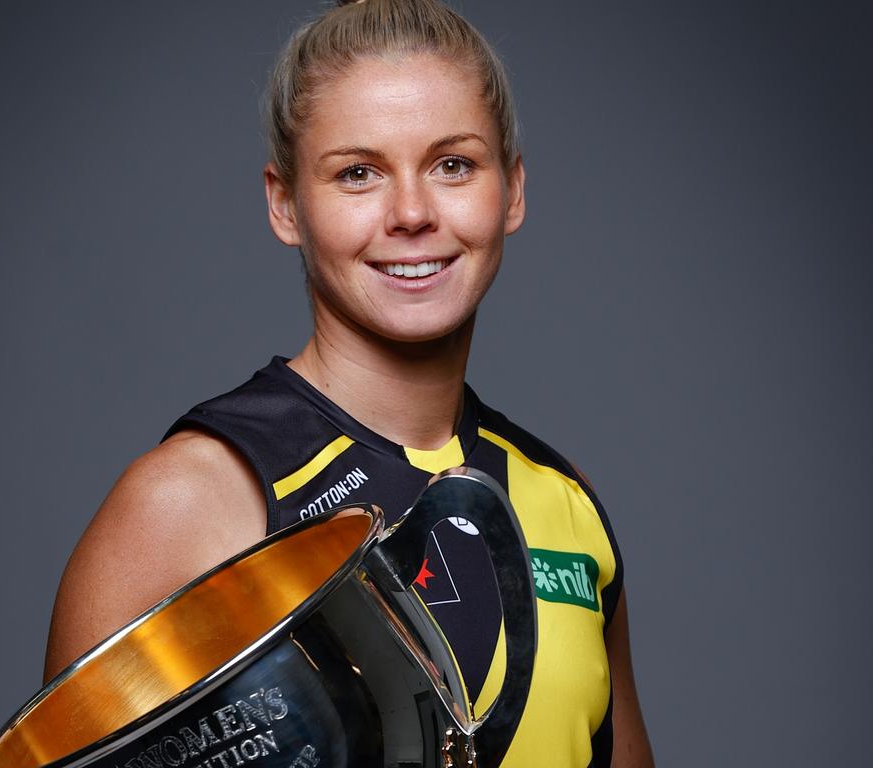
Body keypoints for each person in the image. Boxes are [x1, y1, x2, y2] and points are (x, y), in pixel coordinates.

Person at [44, 1, 653, 765]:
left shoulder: (565, 504)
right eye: (357, 173)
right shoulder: (190, 502)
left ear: (514, 191)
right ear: (285, 204)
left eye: (453, 164)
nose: (410, 212)